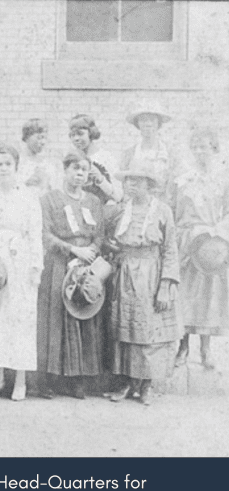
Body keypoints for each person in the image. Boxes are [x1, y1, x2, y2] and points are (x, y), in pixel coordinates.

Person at [107, 163, 181, 406]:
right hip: (124, 272)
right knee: (124, 329)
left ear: (149, 185)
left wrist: (165, 285)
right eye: (128, 181)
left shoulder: (162, 211)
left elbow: (170, 249)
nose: (130, 185)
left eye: (137, 181)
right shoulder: (120, 210)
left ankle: (146, 385)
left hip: (151, 274)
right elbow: (106, 238)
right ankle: (126, 383)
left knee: (148, 331)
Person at [0, 145, 43, 401]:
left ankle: (20, 381)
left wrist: (36, 267)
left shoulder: (27, 196)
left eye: (8, 164)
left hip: (20, 261)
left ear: (16, 167)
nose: (3, 168)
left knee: (20, 319)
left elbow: (35, 233)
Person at [37, 151, 104, 399]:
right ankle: (49, 379)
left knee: (82, 317)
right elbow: (45, 233)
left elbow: (100, 235)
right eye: (74, 168)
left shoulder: (94, 202)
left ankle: (78, 380)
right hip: (59, 263)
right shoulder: (49, 199)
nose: (79, 174)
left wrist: (90, 252)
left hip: (87, 264)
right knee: (54, 319)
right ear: (65, 171)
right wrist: (72, 249)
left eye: (84, 170)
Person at [174, 128, 229, 370]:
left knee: (209, 297)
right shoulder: (184, 180)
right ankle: (183, 347)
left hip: (212, 245)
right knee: (186, 295)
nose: (199, 152)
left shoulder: (222, 181)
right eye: (195, 147)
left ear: (214, 149)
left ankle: (205, 349)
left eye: (204, 147)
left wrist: (218, 234)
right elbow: (176, 213)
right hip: (188, 243)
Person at [120, 108, 176, 203]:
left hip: (162, 204)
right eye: (143, 120)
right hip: (136, 205)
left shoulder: (169, 153)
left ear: (159, 123)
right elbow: (123, 183)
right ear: (137, 124)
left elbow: (174, 184)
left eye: (152, 120)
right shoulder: (129, 154)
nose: (148, 124)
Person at [69, 114, 123, 203]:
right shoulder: (70, 159)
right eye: (73, 135)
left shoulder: (106, 158)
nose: (76, 138)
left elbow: (119, 196)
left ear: (91, 133)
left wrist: (101, 179)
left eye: (80, 134)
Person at [19, 118, 57, 193]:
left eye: (45, 138)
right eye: (39, 137)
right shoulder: (18, 163)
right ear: (27, 137)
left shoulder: (48, 165)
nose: (43, 142)